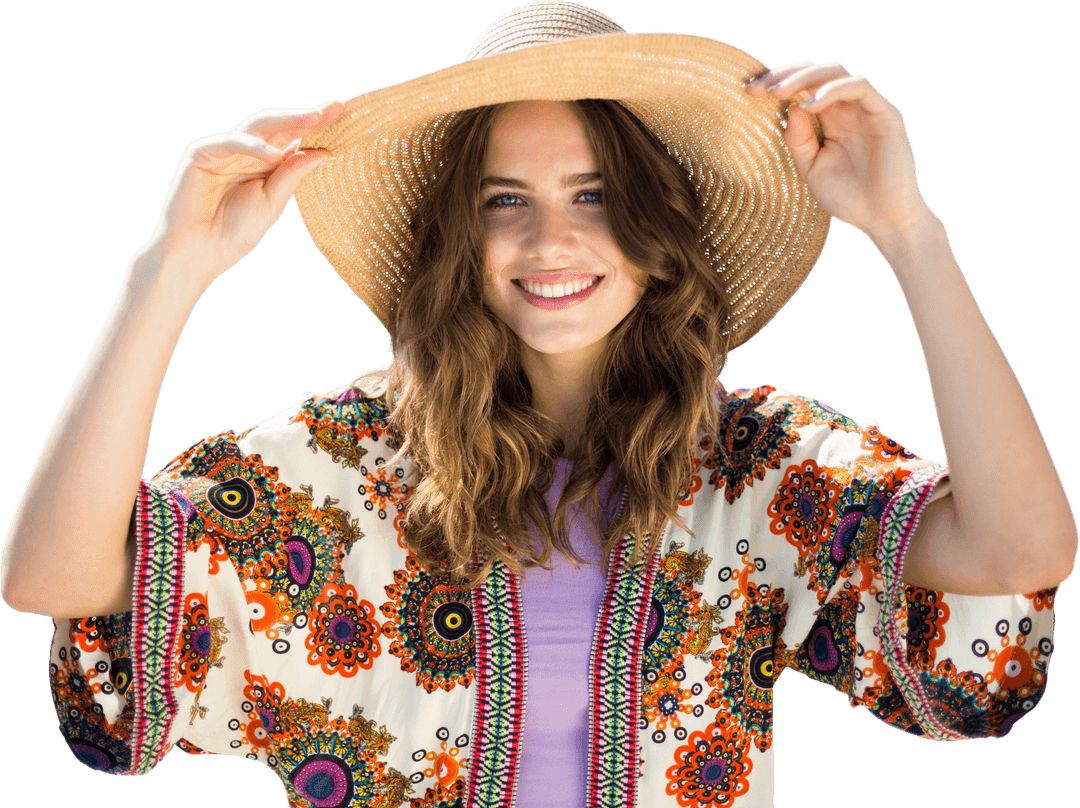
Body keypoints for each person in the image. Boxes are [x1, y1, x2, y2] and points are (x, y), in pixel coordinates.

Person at [1, 1, 1075, 806]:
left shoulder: (754, 467)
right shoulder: (340, 470)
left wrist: (909, 232)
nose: (549, 241)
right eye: (503, 200)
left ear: (659, 226)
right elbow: (50, 575)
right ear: (455, 237)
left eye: (594, 195)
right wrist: (168, 271)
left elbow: (1021, 547)